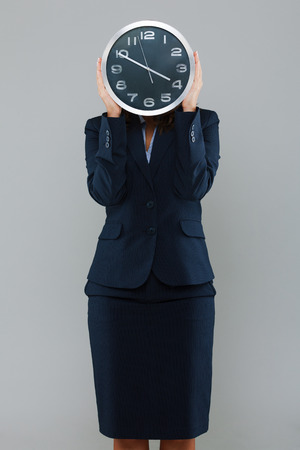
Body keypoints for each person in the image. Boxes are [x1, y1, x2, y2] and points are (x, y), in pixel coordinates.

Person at [84, 51, 221, 450]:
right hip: (116, 287)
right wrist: (112, 116)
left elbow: (194, 185)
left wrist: (189, 109)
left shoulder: (201, 122)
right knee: (125, 423)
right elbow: (106, 192)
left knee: (181, 423)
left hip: (185, 284)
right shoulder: (100, 127)